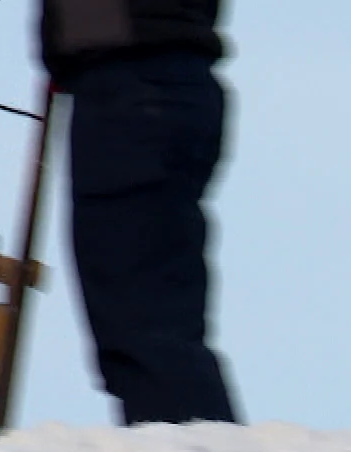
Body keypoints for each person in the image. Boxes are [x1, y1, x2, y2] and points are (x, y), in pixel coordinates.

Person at [37, 0, 242, 426]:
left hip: (129, 79)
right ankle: (190, 446)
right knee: (148, 310)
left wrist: (70, 48)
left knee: (139, 320)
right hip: (166, 79)